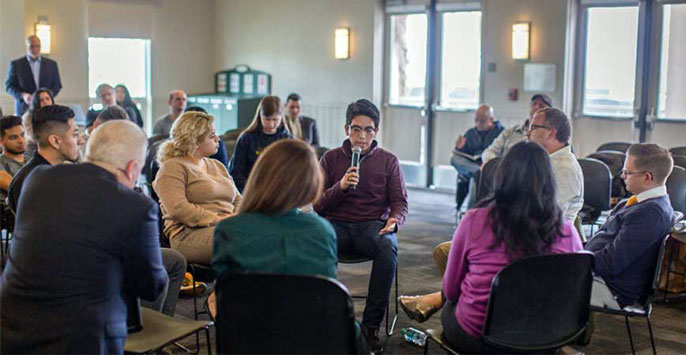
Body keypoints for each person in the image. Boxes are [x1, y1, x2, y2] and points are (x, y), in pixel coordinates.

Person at [0, 120, 168, 354]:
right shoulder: (136, 206)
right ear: (132, 168)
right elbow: (151, 287)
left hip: (12, 325)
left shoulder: (38, 178)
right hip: (83, 339)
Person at [314, 99, 408, 353]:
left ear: (376, 131)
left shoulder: (389, 161)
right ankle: (328, 321)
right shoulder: (331, 158)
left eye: (368, 130)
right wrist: (341, 187)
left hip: (372, 226)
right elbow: (318, 205)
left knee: (388, 249)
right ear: (347, 129)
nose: (362, 136)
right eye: (357, 129)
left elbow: (400, 201)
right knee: (314, 243)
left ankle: (370, 327)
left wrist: (394, 221)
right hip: (336, 225)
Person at [585, 143, 674, 310]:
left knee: (540, 282)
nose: (622, 176)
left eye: (627, 172)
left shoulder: (651, 213)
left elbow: (612, 262)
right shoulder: (635, 202)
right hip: (597, 275)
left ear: (647, 177)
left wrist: (574, 262)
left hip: (612, 288)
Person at [153, 111, 242, 265]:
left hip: (227, 227)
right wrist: (218, 220)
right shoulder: (172, 167)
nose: (218, 139)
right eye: (212, 136)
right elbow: (179, 209)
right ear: (195, 141)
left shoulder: (216, 165)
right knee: (245, 239)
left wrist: (240, 217)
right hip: (188, 235)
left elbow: (238, 199)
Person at [7, 105, 84, 213]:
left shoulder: (47, 175)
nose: (81, 141)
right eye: (75, 135)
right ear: (55, 141)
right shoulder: (33, 182)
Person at [526, 107, 584, 222]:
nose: (528, 133)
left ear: (551, 132)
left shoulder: (564, 169)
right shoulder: (547, 161)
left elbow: (549, 217)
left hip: (552, 236)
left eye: (533, 127)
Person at [229, 95, 291, 192]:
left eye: (275, 120)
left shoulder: (287, 140)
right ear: (259, 116)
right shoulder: (246, 138)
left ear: (281, 117)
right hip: (251, 191)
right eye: (267, 119)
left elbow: (292, 172)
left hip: (280, 193)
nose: (271, 124)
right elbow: (236, 172)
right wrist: (251, 191)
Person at [451, 104, 503, 209]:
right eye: (476, 120)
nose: (478, 123)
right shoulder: (471, 133)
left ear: (491, 119)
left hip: (490, 167)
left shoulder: (501, 134)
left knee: (476, 181)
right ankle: (478, 172)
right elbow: (462, 154)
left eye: (482, 121)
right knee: (454, 160)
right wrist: (459, 148)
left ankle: (471, 214)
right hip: (472, 165)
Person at [481, 94, 552, 164]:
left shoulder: (548, 137)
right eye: (534, 104)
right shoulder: (510, 132)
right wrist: (494, 165)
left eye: (541, 106)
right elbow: (490, 151)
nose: (536, 107)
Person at [4, 35, 62, 116]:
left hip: (46, 109)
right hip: (24, 108)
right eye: (32, 46)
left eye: (37, 46)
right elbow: (9, 86)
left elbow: (57, 85)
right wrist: (23, 95)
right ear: (27, 47)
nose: (35, 49)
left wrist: (46, 97)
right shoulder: (16, 64)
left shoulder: (52, 65)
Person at [0, 116, 27, 230]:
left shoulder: (32, 160)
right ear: (1, 141)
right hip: (12, 213)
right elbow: (15, 187)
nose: (21, 140)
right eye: (13, 137)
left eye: (22, 135)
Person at [21, 88, 54, 158]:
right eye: (41, 100)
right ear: (36, 102)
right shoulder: (27, 117)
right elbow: (32, 136)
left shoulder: (56, 114)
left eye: (48, 99)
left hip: (52, 147)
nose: (45, 102)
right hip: (33, 149)